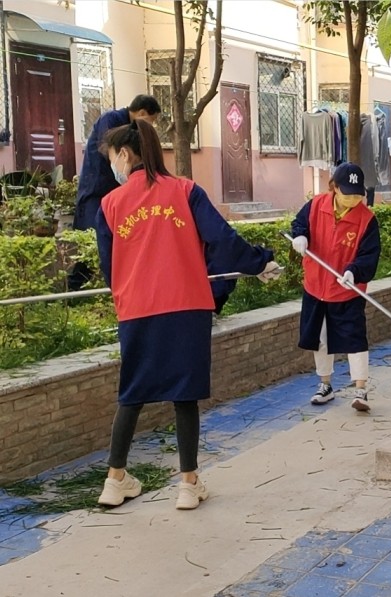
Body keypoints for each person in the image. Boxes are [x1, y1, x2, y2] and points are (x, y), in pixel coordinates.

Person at [94, 119, 281, 510]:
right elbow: (222, 239)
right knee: (185, 395)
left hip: (137, 309)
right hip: (186, 306)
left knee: (132, 393)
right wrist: (259, 261)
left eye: (111, 158)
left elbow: (109, 267)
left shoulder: (109, 206)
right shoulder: (185, 191)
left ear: (125, 156)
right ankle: (187, 484)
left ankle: (114, 480)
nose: (112, 167)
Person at [291, 162, 381, 412]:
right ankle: (325, 385)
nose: (353, 198)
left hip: (347, 289)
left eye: (357, 194)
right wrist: (300, 236)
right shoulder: (316, 206)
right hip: (316, 286)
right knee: (320, 339)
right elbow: (299, 224)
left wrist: (354, 271)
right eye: (347, 193)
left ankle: (360, 390)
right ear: (334, 188)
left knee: (355, 338)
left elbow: (369, 254)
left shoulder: (367, 220)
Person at [68, 95, 162, 291]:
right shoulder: (112, 120)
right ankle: (75, 291)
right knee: (91, 240)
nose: (151, 127)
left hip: (113, 192)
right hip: (96, 189)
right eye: (151, 121)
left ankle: (97, 289)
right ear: (142, 113)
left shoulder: (129, 125)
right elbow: (110, 151)